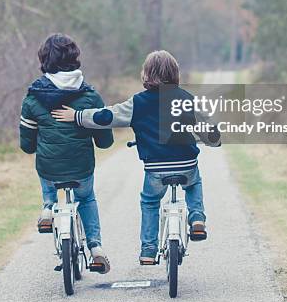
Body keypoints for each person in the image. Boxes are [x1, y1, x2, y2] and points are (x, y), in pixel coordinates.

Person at [52, 50, 221, 265]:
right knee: (194, 182)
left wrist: (77, 116)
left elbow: (107, 117)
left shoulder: (138, 103)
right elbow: (209, 129)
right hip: (186, 164)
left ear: (147, 74)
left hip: (156, 169)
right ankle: (197, 218)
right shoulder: (186, 98)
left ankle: (149, 250)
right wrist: (213, 140)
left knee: (150, 201)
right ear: (175, 74)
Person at [19, 33, 113, 273]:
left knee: (46, 168)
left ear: (44, 60)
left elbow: (27, 146)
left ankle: (48, 207)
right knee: (87, 198)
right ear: (74, 58)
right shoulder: (90, 96)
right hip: (81, 168)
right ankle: (96, 249)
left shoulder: (32, 98)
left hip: (49, 168)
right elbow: (105, 142)